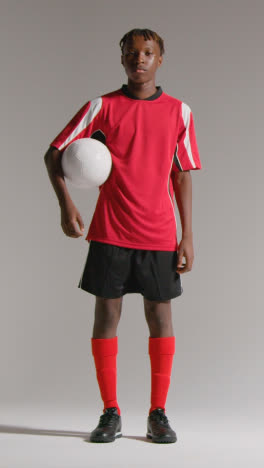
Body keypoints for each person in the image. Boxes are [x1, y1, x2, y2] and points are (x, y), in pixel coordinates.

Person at [44, 28, 202, 444]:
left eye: (148, 53)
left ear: (160, 58)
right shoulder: (102, 106)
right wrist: (67, 205)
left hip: (159, 234)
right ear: (121, 59)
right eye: (131, 53)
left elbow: (181, 174)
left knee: (160, 317)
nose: (139, 60)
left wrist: (188, 236)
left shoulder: (179, 112)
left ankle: (158, 414)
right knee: (107, 317)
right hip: (111, 230)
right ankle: (109, 412)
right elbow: (55, 152)